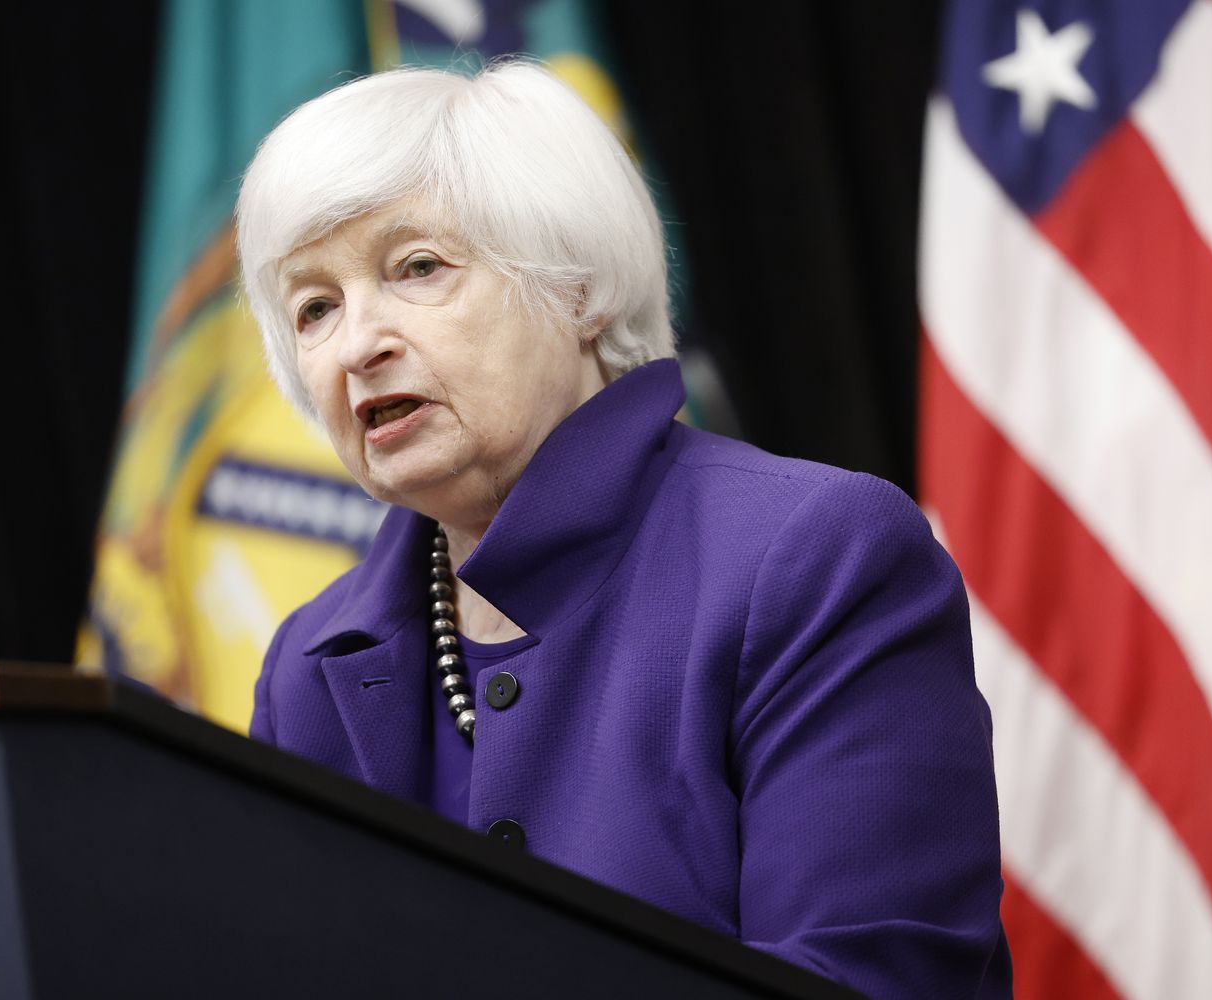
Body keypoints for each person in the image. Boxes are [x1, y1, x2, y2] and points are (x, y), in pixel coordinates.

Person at [237, 62, 1010, 998]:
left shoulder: (819, 556)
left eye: (418, 268)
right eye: (314, 308)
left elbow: (862, 980)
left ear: (578, 289)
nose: (359, 343)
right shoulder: (308, 666)